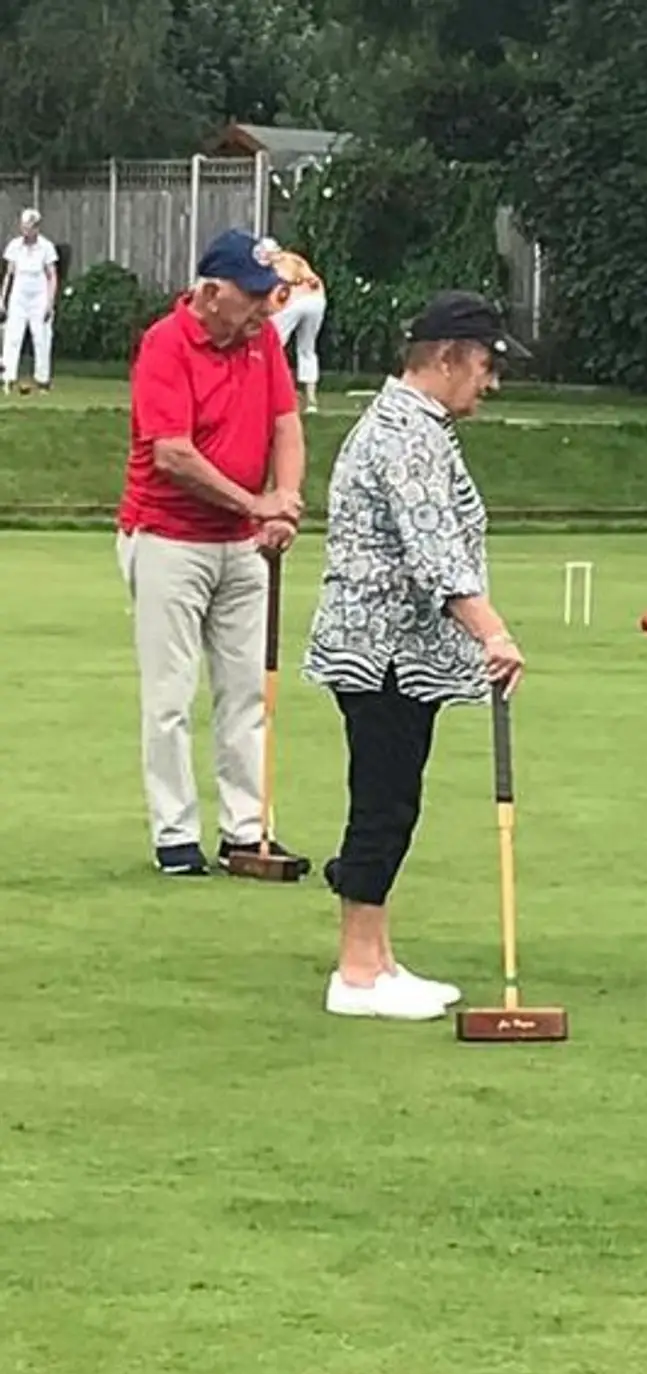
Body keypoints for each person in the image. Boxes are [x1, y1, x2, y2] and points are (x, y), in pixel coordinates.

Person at [304, 291, 530, 1021]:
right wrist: (492, 632)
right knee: (383, 802)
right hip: (384, 652)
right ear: (446, 358)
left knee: (394, 798)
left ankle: (380, 958)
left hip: (399, 648)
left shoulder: (418, 425)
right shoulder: (406, 433)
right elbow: (436, 551)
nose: (490, 383)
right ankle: (356, 974)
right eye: (486, 365)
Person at [117, 228, 309, 877]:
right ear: (210, 291)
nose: (263, 308)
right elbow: (173, 454)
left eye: (268, 295)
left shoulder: (263, 342)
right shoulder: (165, 345)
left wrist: (285, 498)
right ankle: (175, 835)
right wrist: (256, 505)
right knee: (170, 697)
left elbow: (286, 424)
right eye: (253, 296)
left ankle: (245, 831)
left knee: (246, 692)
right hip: (167, 536)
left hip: (241, 546)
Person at [3, 208, 59, 395]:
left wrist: (50, 303)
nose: (26, 231)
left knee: (41, 337)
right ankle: (8, 377)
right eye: (24, 227)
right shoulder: (14, 246)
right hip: (19, 296)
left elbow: (52, 276)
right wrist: (2, 299)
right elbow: (8, 275)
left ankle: (42, 380)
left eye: (30, 228)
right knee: (13, 336)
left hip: (39, 296)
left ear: (37, 228)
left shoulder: (46, 247)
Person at [269, 247, 328, 413]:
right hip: (317, 298)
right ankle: (311, 400)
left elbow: (280, 292)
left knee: (273, 346)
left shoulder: (275, 264)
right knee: (307, 349)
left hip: (295, 300)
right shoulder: (295, 259)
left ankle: (280, 392)